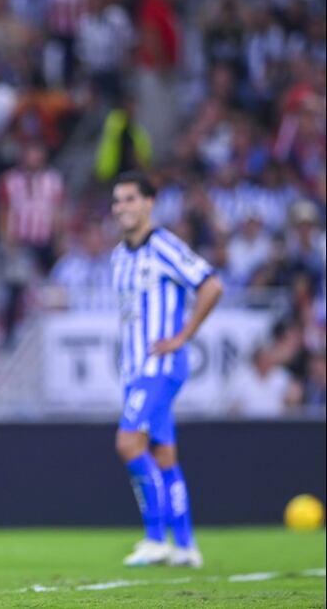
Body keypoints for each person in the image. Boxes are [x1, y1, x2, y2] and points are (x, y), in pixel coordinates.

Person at [110, 171, 223, 569]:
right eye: (117, 200)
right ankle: (187, 546)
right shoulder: (119, 256)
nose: (121, 207)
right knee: (163, 453)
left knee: (128, 443)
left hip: (159, 365)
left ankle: (156, 538)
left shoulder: (163, 245)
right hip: (135, 369)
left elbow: (210, 284)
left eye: (129, 199)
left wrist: (183, 335)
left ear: (149, 203)